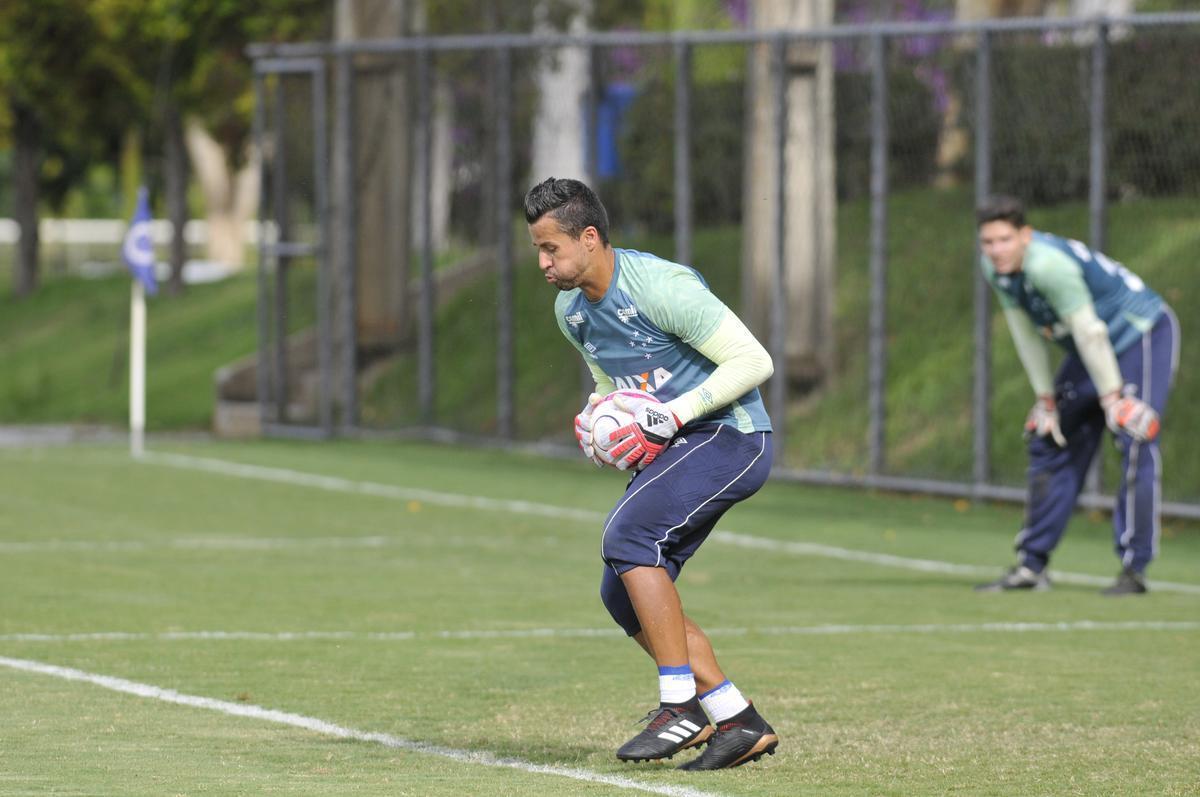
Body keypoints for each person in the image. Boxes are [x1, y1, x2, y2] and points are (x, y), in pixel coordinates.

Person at [524, 177, 779, 770]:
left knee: (629, 539)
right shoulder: (571, 311)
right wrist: (597, 415)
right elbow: (612, 383)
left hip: (730, 435)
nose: (542, 261)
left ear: (590, 238)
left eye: (550, 248)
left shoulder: (661, 286)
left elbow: (754, 360)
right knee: (622, 591)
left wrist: (673, 414)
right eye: (537, 249)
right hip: (679, 442)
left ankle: (680, 705)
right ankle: (737, 719)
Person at [973, 195, 1179, 596]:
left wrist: (1113, 400)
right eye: (988, 242)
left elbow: (1091, 331)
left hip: (1139, 335)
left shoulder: (1048, 266)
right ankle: (1032, 566)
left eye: (1004, 240)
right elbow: (1023, 330)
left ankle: (1133, 569)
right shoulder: (995, 269)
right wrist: (1044, 397)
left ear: (1025, 236)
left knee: (1134, 436)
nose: (996, 250)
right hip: (1090, 350)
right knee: (1049, 437)